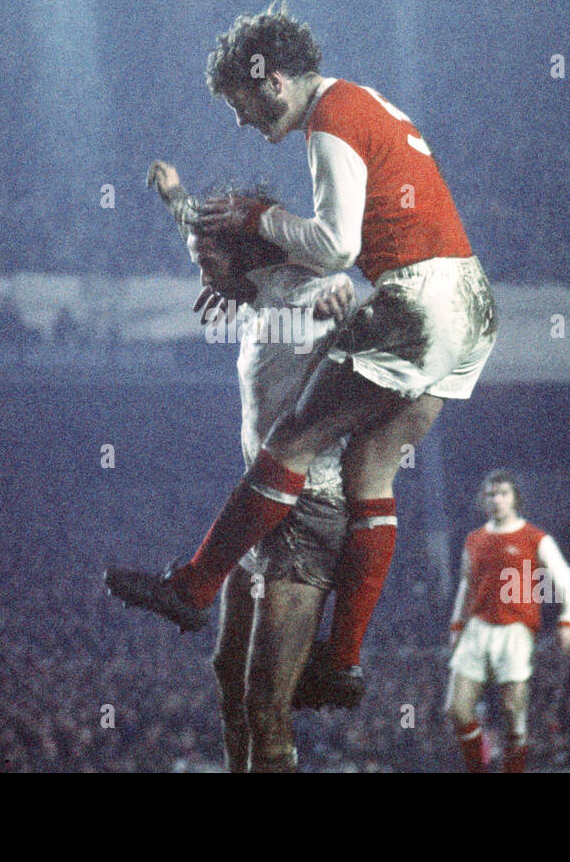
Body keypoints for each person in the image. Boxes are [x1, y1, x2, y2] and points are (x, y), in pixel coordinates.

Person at [106, 0, 497, 704]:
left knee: (295, 437)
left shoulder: (329, 119)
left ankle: (194, 585)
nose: (241, 121)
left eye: (240, 102)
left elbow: (339, 246)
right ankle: (341, 664)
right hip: (471, 301)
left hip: (418, 295)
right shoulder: (365, 99)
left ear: (273, 80)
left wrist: (261, 219)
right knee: (369, 467)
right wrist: (184, 202)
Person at [131, 161, 356, 771]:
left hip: (307, 510)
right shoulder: (252, 286)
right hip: (262, 501)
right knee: (229, 676)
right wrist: (174, 193)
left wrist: (347, 299)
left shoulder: (310, 290)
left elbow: (353, 299)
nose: (200, 275)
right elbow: (198, 231)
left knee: (266, 704)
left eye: (209, 264)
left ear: (248, 254)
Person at [445, 470, 570, 773]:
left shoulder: (535, 537)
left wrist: (568, 620)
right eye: (492, 494)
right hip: (477, 628)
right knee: (457, 709)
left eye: (504, 493)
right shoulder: (474, 539)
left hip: (516, 630)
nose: (497, 500)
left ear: (515, 498)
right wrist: (457, 625)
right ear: (483, 499)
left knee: (512, 711)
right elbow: (466, 586)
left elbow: (565, 579)